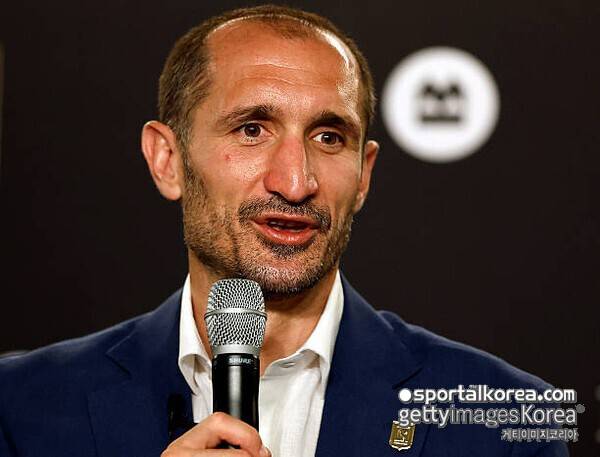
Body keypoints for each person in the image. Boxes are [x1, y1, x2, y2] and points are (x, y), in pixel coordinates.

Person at [0, 5, 568, 457]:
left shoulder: (505, 424)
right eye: (252, 129)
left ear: (364, 175)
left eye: (328, 138)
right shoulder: (19, 407)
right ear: (167, 160)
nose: (295, 183)